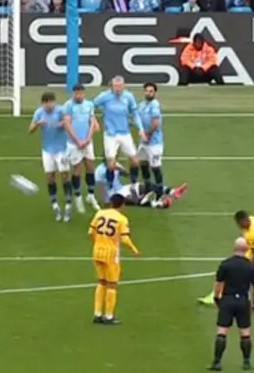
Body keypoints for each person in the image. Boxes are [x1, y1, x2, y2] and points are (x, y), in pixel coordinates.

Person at [208, 237, 254, 371]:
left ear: (234, 248)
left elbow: (218, 284)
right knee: (245, 332)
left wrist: (216, 298)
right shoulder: (251, 267)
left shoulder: (225, 264)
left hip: (228, 300)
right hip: (243, 301)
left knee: (222, 331)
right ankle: (247, 362)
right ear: (246, 249)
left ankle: (217, 362)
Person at [89, 193, 140, 325]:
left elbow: (90, 232)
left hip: (97, 251)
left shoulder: (99, 213)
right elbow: (124, 238)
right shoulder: (121, 219)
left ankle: (97, 314)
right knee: (112, 285)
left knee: (101, 282)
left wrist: (97, 242)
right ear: (122, 205)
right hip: (111, 254)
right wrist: (133, 249)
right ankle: (109, 316)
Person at [199, 210, 254, 304]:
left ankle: (226, 296)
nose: (239, 226)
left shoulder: (253, 235)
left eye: (239, 223)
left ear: (244, 220)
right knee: (234, 272)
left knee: (239, 274)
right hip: (252, 250)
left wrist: (252, 268)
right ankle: (219, 294)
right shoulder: (253, 219)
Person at [94, 76, 145, 193]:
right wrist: (95, 120)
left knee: (134, 161)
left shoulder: (128, 96)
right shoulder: (104, 96)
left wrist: (141, 128)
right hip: (110, 135)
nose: (118, 89)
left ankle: (133, 184)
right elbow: (91, 106)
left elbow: (135, 113)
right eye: (115, 86)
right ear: (111, 86)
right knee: (111, 164)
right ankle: (110, 187)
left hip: (125, 134)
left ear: (124, 86)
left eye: (120, 86)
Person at [30, 92, 72, 222]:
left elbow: (68, 120)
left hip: (62, 150)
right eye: (48, 102)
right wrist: (37, 124)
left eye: (52, 102)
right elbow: (30, 129)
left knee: (64, 175)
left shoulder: (60, 110)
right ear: (44, 103)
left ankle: (68, 205)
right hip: (47, 151)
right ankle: (55, 205)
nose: (50, 104)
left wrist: (63, 124)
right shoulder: (39, 113)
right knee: (50, 177)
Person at [62, 84, 100, 214]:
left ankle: (90, 195)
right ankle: (78, 197)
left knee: (90, 167)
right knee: (77, 169)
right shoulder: (68, 105)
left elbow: (92, 123)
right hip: (74, 143)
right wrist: (77, 140)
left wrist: (89, 138)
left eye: (81, 93)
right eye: (76, 93)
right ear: (73, 93)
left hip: (87, 142)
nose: (78, 95)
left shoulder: (89, 104)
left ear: (84, 93)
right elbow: (67, 124)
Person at [93, 162, 187, 208]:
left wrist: (119, 169)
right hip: (113, 195)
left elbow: (126, 174)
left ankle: (173, 192)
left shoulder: (115, 164)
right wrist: (108, 201)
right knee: (134, 199)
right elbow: (100, 188)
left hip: (122, 189)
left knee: (143, 186)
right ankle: (159, 204)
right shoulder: (99, 171)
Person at [136, 82, 164, 189]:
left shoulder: (154, 104)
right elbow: (137, 119)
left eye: (151, 91)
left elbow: (156, 122)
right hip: (143, 142)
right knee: (143, 163)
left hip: (154, 142)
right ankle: (148, 187)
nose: (148, 93)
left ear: (155, 93)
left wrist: (147, 135)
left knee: (155, 167)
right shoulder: (142, 105)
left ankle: (160, 192)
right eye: (147, 91)